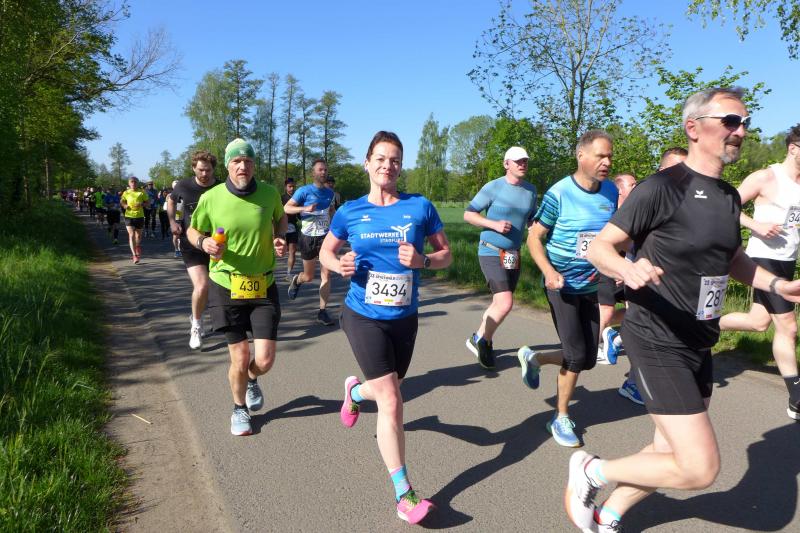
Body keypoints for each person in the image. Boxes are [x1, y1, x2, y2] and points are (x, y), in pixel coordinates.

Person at [571, 87, 800, 532]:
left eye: (745, 122)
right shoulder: (661, 188)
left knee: (666, 447)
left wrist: (778, 285)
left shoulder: (728, 196)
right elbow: (600, 248)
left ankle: (610, 513)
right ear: (693, 128)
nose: (740, 131)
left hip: (699, 339)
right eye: (730, 121)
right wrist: (628, 268)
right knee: (699, 467)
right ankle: (591, 470)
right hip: (657, 337)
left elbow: (731, 259)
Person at [319, 131, 451, 525]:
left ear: (400, 166)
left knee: (384, 390)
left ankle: (354, 392)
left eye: (394, 160)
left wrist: (423, 261)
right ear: (367, 163)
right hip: (361, 314)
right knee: (392, 399)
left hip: (404, 318)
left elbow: (446, 255)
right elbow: (326, 251)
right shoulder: (350, 211)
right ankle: (404, 495)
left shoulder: (419, 207)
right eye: (380, 158)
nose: (387, 166)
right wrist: (337, 264)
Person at [516, 130, 617, 448]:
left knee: (587, 359)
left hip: (592, 284)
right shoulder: (558, 194)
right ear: (581, 155)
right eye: (600, 156)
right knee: (575, 356)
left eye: (610, 156)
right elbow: (534, 238)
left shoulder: (611, 192)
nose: (607, 162)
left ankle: (535, 358)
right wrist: (548, 272)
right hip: (561, 284)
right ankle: (560, 417)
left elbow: (611, 236)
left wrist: (619, 265)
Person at [186, 139, 287, 436]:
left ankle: (251, 378)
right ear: (228, 165)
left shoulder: (269, 193)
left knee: (264, 359)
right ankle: (239, 408)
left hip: (263, 284)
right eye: (237, 161)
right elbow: (193, 229)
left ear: (254, 165)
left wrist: (280, 237)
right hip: (225, 284)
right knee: (240, 356)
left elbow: (281, 219)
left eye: (248, 161)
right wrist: (203, 241)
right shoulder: (212, 197)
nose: (243, 166)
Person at [720, 124, 800, 420]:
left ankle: (704, 325)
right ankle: (796, 398)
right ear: (793, 148)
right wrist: (756, 225)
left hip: (787, 260)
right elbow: (726, 206)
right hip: (762, 259)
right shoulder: (766, 177)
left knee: (758, 323)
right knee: (788, 327)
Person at [463, 146, 538, 370]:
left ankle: (478, 337)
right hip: (490, 250)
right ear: (506, 164)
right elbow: (468, 214)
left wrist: (536, 227)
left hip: (512, 254)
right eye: (518, 161)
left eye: (525, 161)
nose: (522, 164)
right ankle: (484, 341)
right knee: (505, 302)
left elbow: (531, 218)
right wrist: (493, 224)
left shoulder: (531, 190)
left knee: (499, 302)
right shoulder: (493, 187)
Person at [168, 150, 221, 350]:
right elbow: (171, 200)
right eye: (200, 170)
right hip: (191, 242)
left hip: (216, 243)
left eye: (208, 170)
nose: (204, 174)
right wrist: (173, 221)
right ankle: (196, 326)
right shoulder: (183, 186)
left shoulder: (221, 187)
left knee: (218, 288)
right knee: (202, 285)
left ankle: (199, 315)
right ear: (193, 168)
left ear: (213, 170)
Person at [284, 158, 336, 326]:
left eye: (325, 169)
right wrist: (304, 208)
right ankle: (297, 280)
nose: (324, 172)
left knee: (326, 274)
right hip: (307, 237)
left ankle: (322, 311)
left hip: (325, 237)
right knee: (308, 276)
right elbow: (287, 208)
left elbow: (332, 211)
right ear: (313, 173)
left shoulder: (330, 193)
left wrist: (336, 228)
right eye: (320, 169)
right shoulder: (304, 191)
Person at [120, 177, 150, 264]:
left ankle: (136, 246)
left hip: (139, 216)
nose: (133, 183)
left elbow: (148, 203)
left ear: (137, 183)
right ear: (129, 183)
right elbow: (122, 201)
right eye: (132, 182)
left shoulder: (142, 192)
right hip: (129, 216)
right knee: (131, 235)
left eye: (135, 182)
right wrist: (125, 206)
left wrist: (142, 204)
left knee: (138, 236)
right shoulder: (126, 192)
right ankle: (134, 255)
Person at [281, 178, 299, 280]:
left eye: (293, 186)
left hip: (293, 228)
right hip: (281, 228)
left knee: (292, 251)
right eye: (290, 186)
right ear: (285, 187)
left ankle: (288, 273)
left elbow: (300, 215)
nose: (292, 188)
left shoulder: (297, 199)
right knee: (278, 251)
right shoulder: (281, 198)